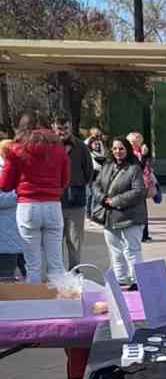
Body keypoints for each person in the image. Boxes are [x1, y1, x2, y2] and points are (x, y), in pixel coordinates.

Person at [0, 113, 69, 283]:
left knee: (32, 264)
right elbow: (65, 179)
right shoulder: (58, 147)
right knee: (56, 262)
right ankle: (61, 303)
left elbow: (5, 184)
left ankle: (36, 304)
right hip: (53, 204)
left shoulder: (15, 149)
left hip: (27, 205)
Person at [94, 136, 146, 290]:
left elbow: (139, 191)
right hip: (110, 216)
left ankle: (137, 281)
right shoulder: (107, 165)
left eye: (121, 148)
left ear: (127, 150)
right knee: (115, 251)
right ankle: (120, 279)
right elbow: (96, 185)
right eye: (115, 148)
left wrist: (114, 201)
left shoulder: (134, 168)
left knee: (131, 250)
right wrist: (103, 198)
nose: (118, 151)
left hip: (131, 217)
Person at [52, 115, 94, 270]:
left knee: (75, 240)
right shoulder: (48, 146)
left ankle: (75, 271)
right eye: (59, 129)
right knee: (55, 240)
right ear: (53, 129)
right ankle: (57, 273)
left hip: (76, 199)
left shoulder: (81, 147)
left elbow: (89, 171)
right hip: (54, 200)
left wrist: (78, 183)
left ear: (71, 128)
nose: (62, 132)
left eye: (65, 129)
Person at [0, 139, 25, 280]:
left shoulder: (20, 168)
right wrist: (21, 194)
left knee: (32, 278)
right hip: (5, 236)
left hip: (23, 233)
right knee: (5, 279)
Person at [127, 131, 155, 243]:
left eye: (138, 141)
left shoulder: (139, 152)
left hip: (143, 184)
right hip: (134, 185)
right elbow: (138, 168)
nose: (137, 144)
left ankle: (145, 234)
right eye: (134, 142)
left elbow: (145, 167)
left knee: (143, 209)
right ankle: (140, 234)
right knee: (137, 209)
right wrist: (143, 156)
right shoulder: (131, 154)